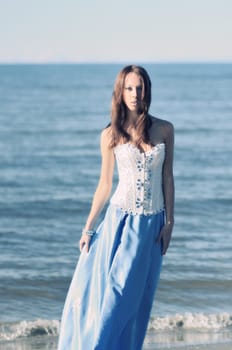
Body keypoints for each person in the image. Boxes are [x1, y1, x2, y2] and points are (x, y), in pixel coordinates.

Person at [57, 65, 174, 350]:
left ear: (147, 90)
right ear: (120, 92)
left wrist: (170, 222)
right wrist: (88, 228)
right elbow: (105, 186)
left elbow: (167, 177)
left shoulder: (164, 129)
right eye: (129, 88)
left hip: (152, 226)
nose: (135, 94)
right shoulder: (110, 134)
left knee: (137, 303)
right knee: (115, 295)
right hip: (121, 223)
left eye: (140, 88)